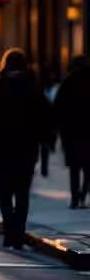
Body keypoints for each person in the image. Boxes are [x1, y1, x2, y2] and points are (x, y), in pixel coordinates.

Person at [0, 49, 52, 248]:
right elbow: (45, 117)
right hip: (27, 146)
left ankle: (9, 228)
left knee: (4, 191)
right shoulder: (33, 88)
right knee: (22, 190)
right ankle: (18, 231)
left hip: (1, 146)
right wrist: (46, 141)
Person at [53, 55, 90, 208]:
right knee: (88, 167)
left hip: (72, 132)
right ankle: (82, 193)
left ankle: (75, 196)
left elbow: (58, 108)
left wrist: (60, 130)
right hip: (87, 131)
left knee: (74, 168)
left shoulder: (67, 83)